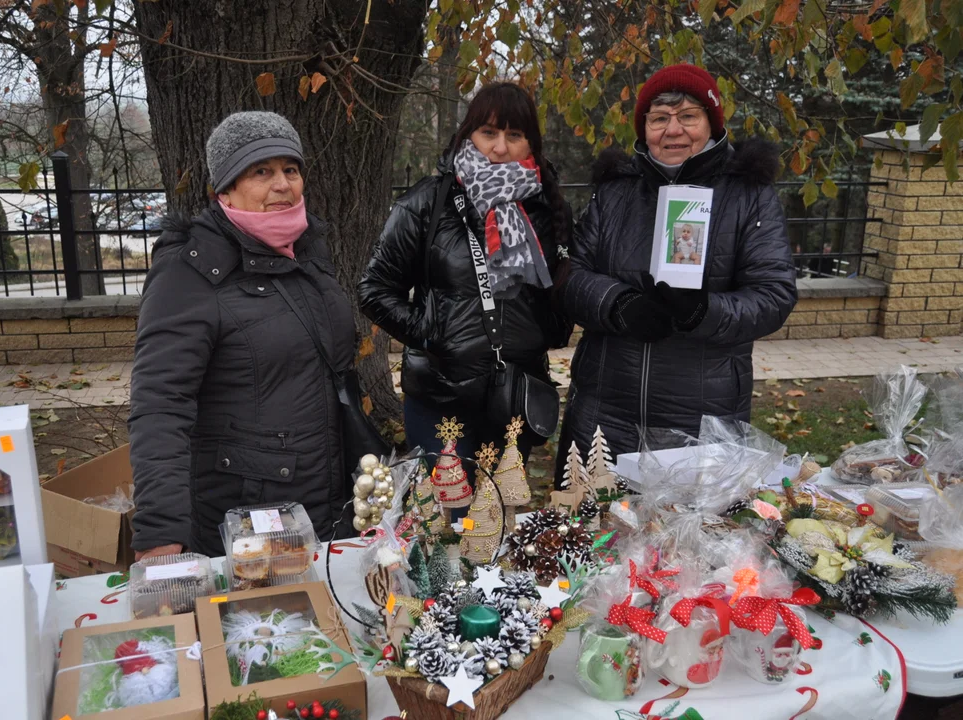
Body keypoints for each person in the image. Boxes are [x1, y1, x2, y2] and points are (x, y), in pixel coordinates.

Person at [128, 111, 356, 558]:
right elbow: (160, 406)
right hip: (246, 518)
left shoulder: (307, 254)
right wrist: (160, 533)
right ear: (225, 189)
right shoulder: (190, 272)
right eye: (261, 171)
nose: (282, 184)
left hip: (324, 501)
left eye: (290, 169)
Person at [557, 64, 797, 463]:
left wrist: (705, 311)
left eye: (688, 116)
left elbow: (773, 295)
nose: (673, 130)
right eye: (659, 118)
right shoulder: (616, 190)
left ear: (711, 123)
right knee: (595, 523)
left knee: (686, 526)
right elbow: (570, 276)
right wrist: (617, 304)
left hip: (701, 417)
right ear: (644, 126)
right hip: (605, 413)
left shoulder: (748, 194)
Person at [358, 82, 571, 508]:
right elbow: (375, 290)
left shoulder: (547, 206)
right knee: (443, 528)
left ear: (531, 141)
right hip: (441, 398)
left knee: (497, 527)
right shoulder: (427, 203)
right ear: (467, 135)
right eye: (488, 132)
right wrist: (432, 334)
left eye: (514, 135)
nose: (499, 147)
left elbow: (560, 285)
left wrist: (550, 330)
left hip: (513, 395)